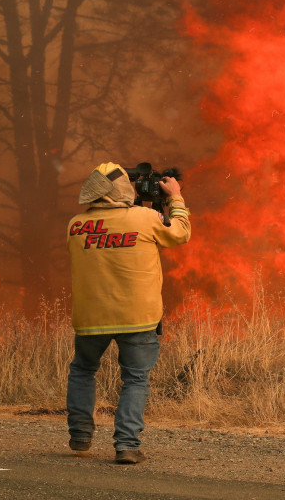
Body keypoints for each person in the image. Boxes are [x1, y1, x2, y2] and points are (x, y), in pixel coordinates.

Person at [66, 162, 191, 464]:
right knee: (135, 379)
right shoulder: (145, 219)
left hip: (91, 317)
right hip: (138, 317)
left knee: (83, 370)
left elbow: (111, 229)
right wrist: (174, 197)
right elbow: (180, 233)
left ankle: (80, 436)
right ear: (124, 189)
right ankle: (127, 446)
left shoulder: (75, 225)